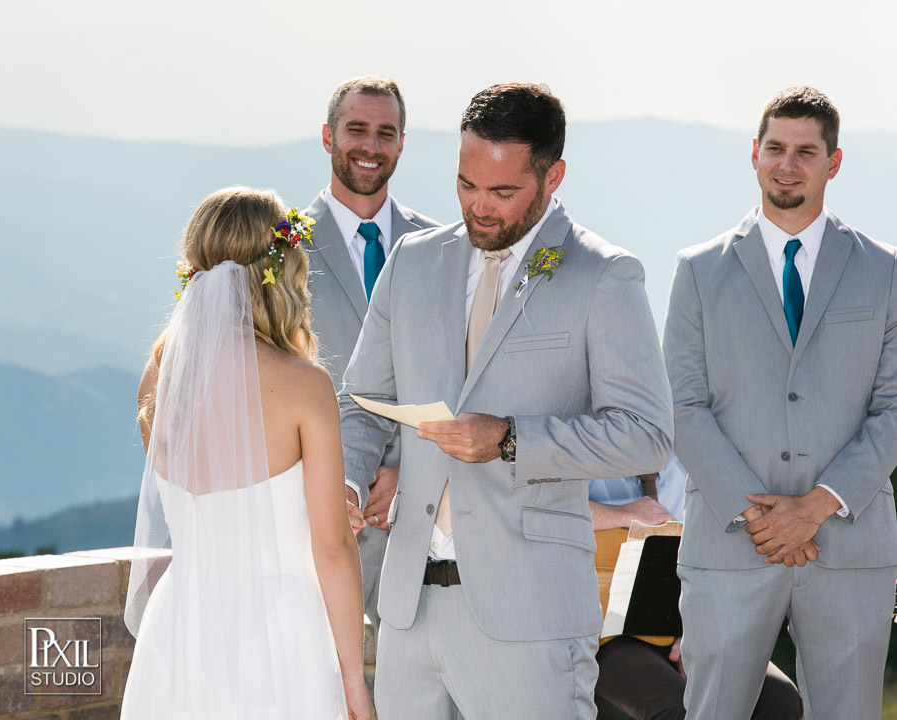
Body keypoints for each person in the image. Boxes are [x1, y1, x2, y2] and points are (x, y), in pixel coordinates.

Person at [339, 82, 673, 720]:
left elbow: (646, 433)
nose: (478, 209)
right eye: (466, 185)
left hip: (533, 618)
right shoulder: (410, 261)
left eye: (502, 192)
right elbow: (364, 400)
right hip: (407, 612)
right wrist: (350, 484)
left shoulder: (605, 275)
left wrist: (512, 438)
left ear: (554, 177)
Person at [663, 86, 897, 720]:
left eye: (806, 152)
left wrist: (817, 506)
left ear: (835, 162)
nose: (787, 164)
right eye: (775, 148)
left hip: (848, 545)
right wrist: (764, 518)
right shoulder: (697, 270)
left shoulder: (885, 272)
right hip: (731, 543)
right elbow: (682, 406)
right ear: (755, 156)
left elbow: (894, 408)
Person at [122, 187, 373, 720]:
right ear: (282, 272)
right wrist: (354, 682)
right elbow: (332, 548)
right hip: (278, 636)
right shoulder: (305, 385)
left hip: (182, 628)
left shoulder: (159, 375)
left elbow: (206, 495)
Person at [301, 76, 440, 633]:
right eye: (356, 129)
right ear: (328, 137)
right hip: (317, 523)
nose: (371, 146)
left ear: (402, 143)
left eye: (387, 133)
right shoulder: (279, 252)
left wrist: (408, 471)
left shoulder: (441, 249)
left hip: (421, 532)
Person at [589, 458, 803, 720]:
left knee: (780, 697)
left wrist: (694, 633)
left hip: (686, 621)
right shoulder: (584, 442)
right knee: (678, 708)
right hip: (603, 634)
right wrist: (624, 514)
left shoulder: (690, 452)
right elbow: (537, 508)